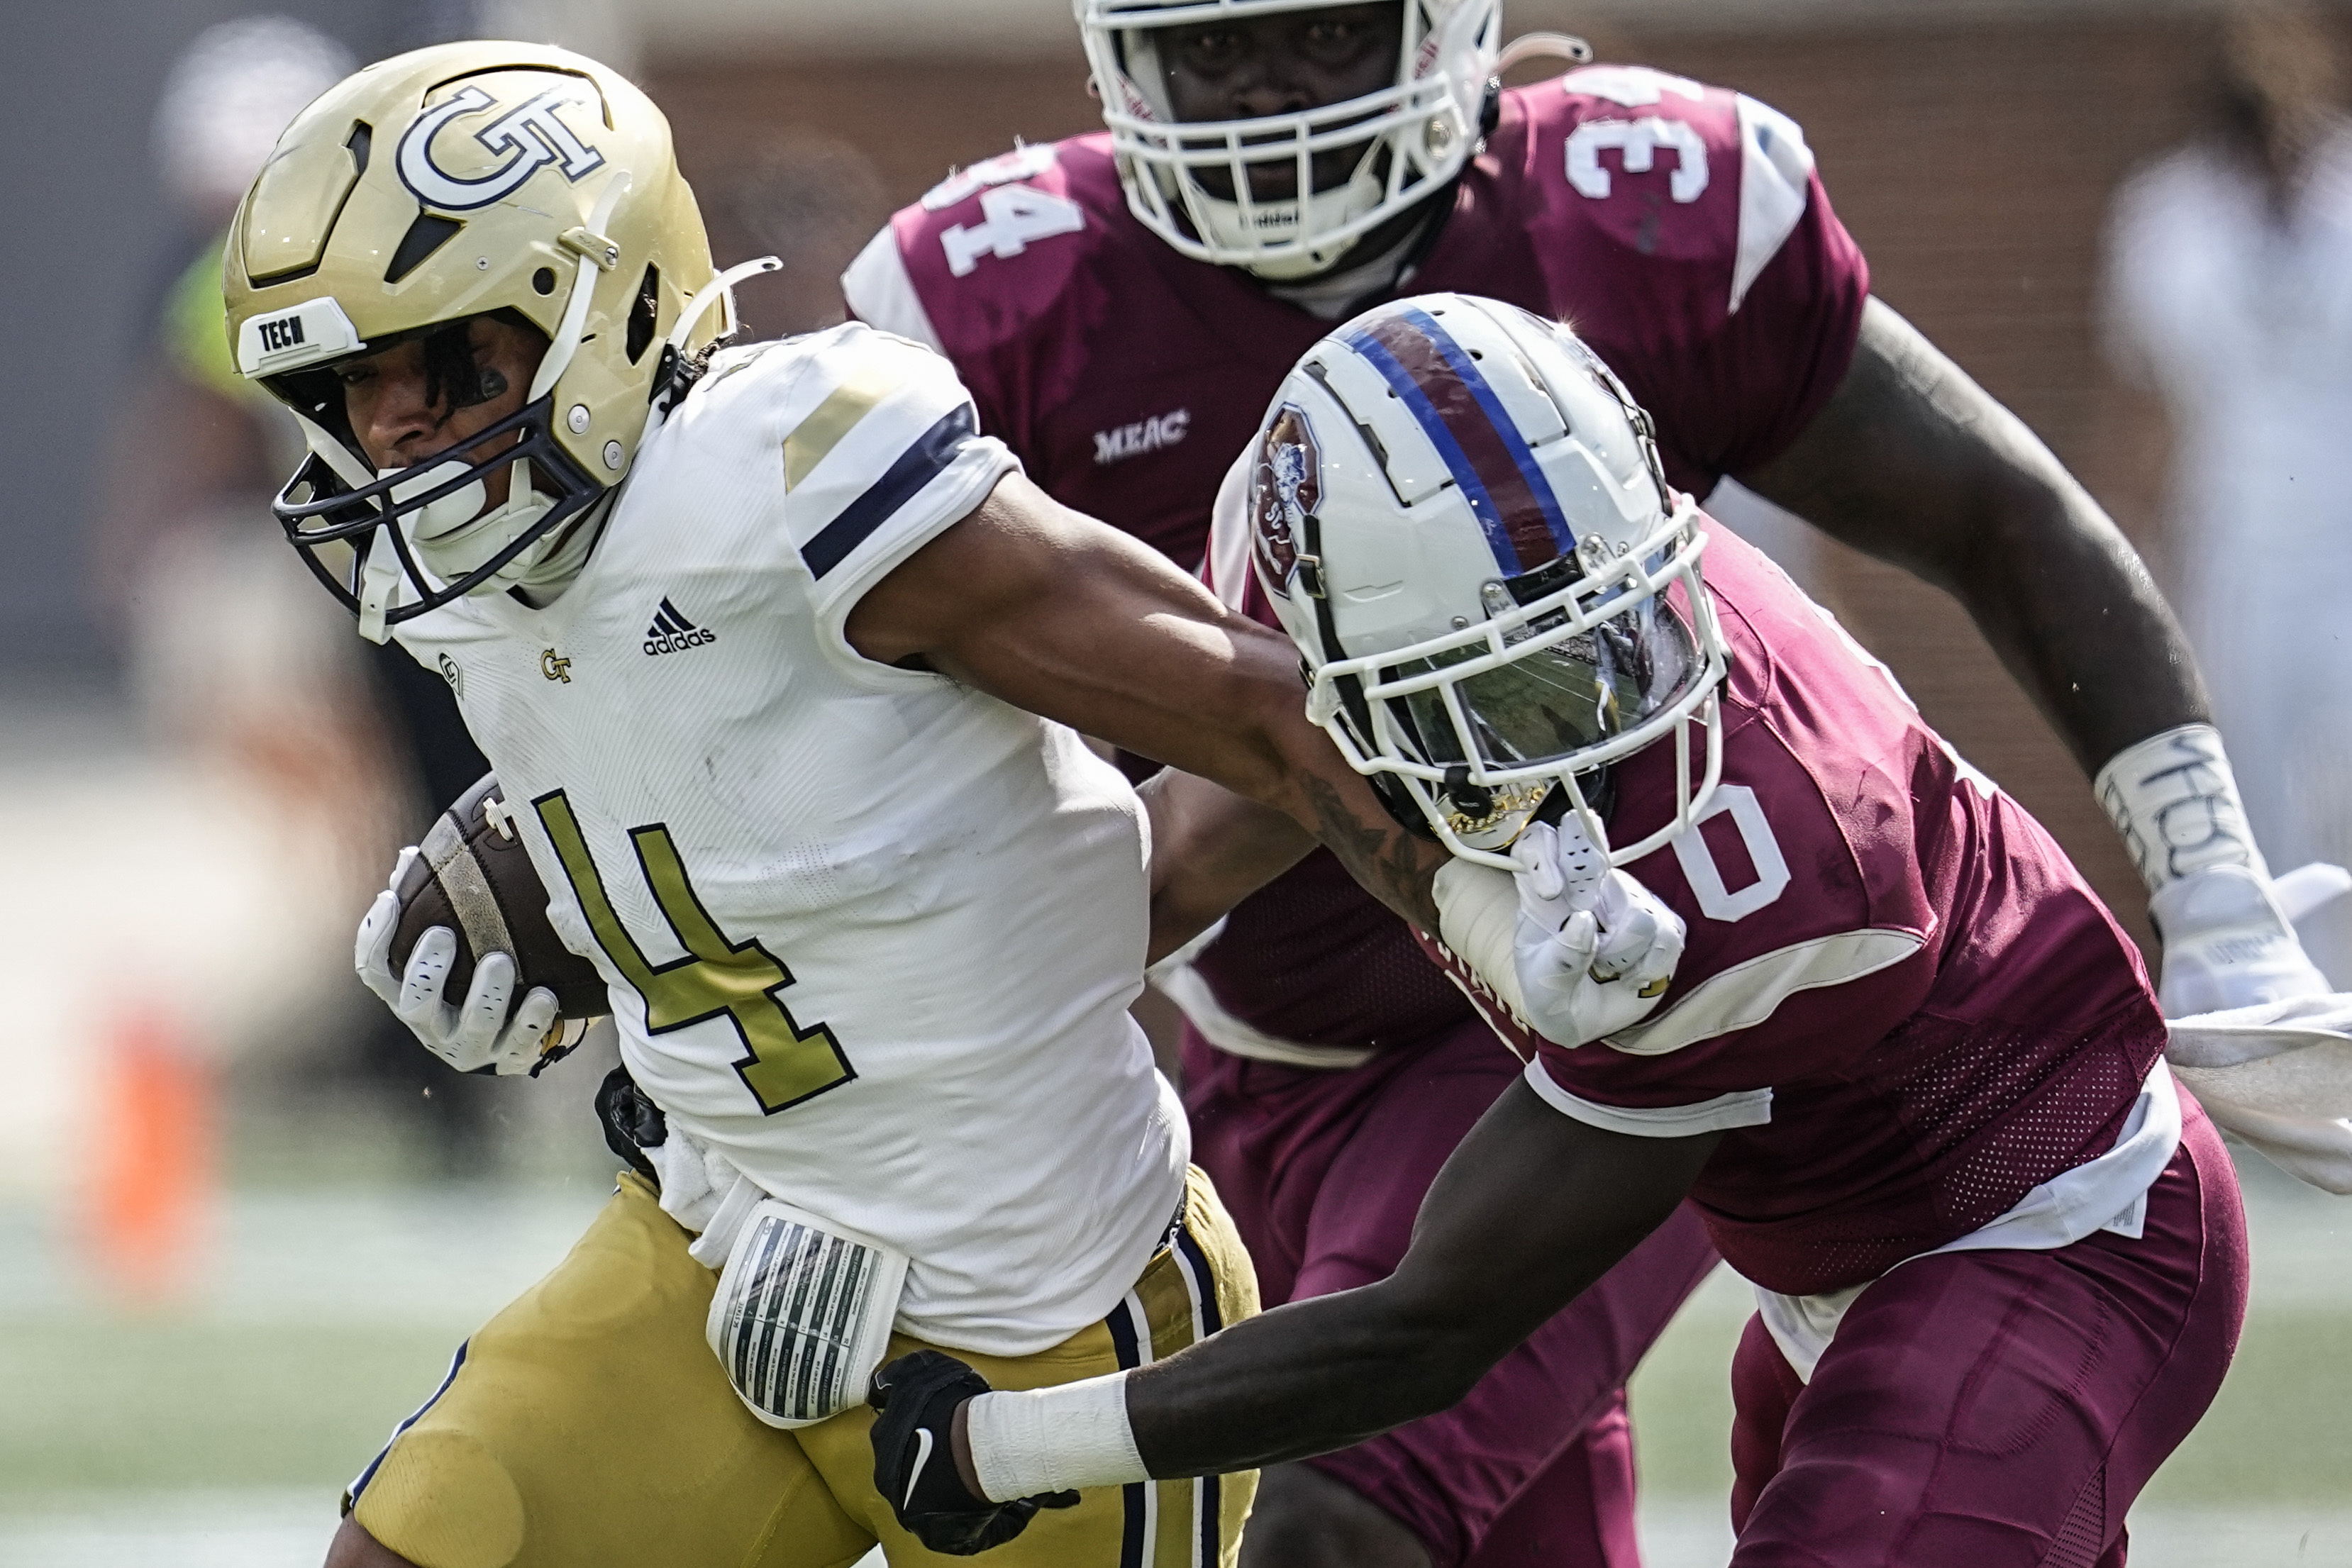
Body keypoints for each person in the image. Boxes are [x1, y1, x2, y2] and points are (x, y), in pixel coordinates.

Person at [840, 4, 2332, 1562]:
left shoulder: (1739, 866)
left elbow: (1416, 1329)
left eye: (1326, 33)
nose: (1269, 86)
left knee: (1337, 1518)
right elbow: (1207, 829)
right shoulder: (1011, 306)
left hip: (1911, 1160)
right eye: (1214, 45)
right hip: (1454, 1090)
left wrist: (2212, 888)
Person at [222, 41, 1509, 1568]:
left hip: (1036, 1310)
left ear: (611, 308)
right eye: (355, 387)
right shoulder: (471, 570)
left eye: (451, 365)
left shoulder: (790, 482)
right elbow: (722, 753)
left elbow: (1261, 712)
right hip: (717, 1249)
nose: (402, 434)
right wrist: (554, 871)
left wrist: (1524, 918)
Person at [2104, 0, 2352, 989]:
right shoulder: (2167, 220)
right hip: (2238, 558)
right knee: (2254, 813)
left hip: (2348, 546)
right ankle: (2305, 1045)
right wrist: (2138, 560)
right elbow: (2140, 406)